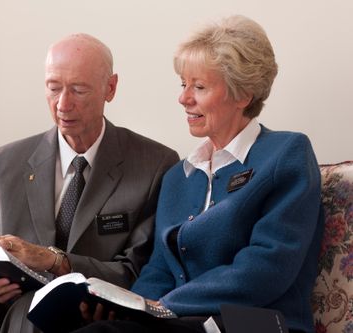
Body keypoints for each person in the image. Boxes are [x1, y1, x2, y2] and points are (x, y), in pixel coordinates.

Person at [72, 15, 323, 333]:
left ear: (242, 94)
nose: (183, 98)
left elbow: (268, 266)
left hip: (252, 324)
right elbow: (160, 267)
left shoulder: (286, 153)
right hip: (180, 323)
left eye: (199, 87)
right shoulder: (179, 176)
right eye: (183, 84)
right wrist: (126, 306)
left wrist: (166, 306)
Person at [0, 33, 179, 333]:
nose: (63, 104)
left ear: (110, 88)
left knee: (31, 310)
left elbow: (138, 272)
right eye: (53, 88)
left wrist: (55, 262)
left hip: (85, 317)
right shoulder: (1, 164)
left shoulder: (154, 164)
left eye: (79, 90)